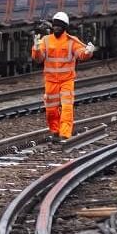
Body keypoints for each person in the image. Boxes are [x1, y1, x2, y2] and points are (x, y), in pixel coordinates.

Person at [31, 11, 95, 141]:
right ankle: (55, 132)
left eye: (59, 26)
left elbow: (81, 54)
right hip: (51, 82)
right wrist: (36, 49)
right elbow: (39, 59)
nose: (56, 28)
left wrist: (88, 52)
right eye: (55, 26)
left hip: (66, 80)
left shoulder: (71, 41)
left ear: (64, 27)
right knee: (51, 110)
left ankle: (65, 134)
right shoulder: (45, 41)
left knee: (66, 107)